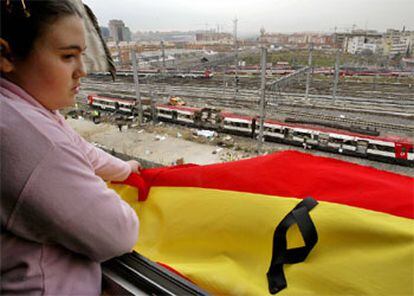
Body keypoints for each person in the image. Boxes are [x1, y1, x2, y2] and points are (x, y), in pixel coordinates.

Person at [0, 1, 140, 294]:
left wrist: (125, 170)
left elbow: (80, 148)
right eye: (67, 56)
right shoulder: (31, 140)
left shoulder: (26, 111)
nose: (81, 71)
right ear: (6, 54)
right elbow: (118, 233)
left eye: (82, 56)